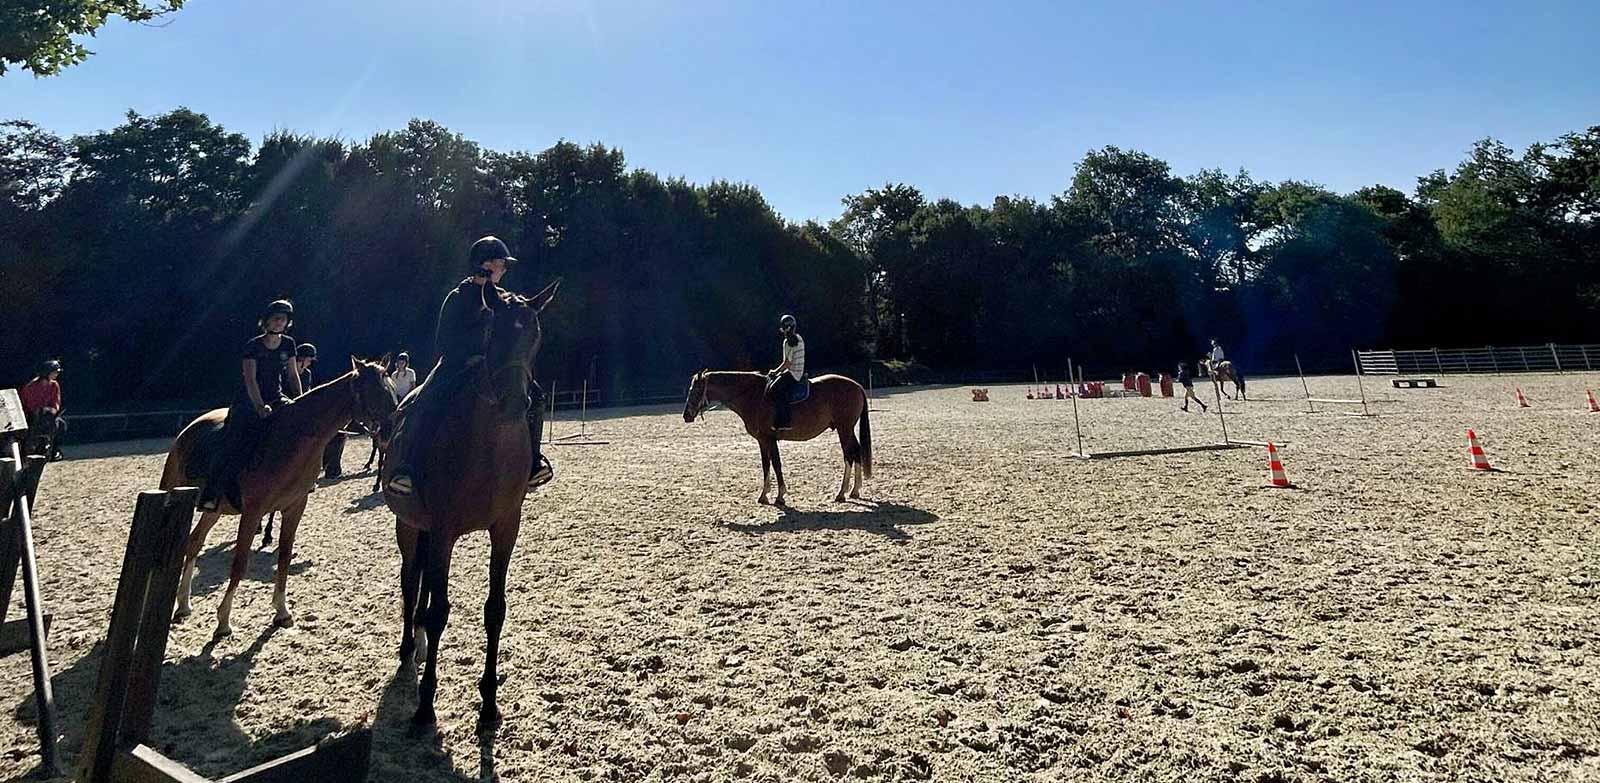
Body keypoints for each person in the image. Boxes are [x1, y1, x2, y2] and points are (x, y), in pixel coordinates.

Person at [386, 235, 551, 497]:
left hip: (492, 367)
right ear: (484, 265)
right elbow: (444, 342)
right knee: (425, 400)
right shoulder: (457, 297)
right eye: (500, 264)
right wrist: (471, 355)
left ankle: (533, 462)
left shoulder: (504, 299)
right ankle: (407, 468)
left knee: (536, 396)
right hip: (455, 365)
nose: (504, 269)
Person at [197, 300, 303, 512]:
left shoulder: (288, 344)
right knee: (232, 443)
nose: (279, 322)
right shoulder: (253, 346)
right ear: (267, 321)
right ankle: (211, 492)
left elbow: (292, 375)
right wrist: (259, 406)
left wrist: (301, 401)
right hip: (248, 401)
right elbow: (250, 379)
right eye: (276, 318)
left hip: (276, 397)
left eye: (283, 319)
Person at [765, 314, 806, 431]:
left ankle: (784, 422)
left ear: (785, 328)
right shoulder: (799, 338)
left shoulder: (787, 342)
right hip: (799, 372)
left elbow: (787, 363)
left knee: (774, 389)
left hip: (792, 373)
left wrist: (774, 371)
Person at [19, 360, 66, 460]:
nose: (56, 374)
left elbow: (56, 401)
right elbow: (29, 404)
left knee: (60, 424)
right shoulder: (31, 386)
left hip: (47, 413)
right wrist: (39, 410)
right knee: (32, 425)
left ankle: (53, 450)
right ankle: (26, 450)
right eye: (54, 372)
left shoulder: (54, 385)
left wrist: (53, 410)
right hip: (31, 413)